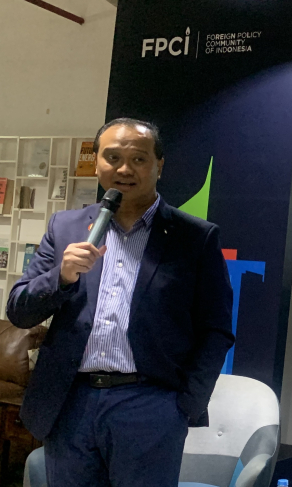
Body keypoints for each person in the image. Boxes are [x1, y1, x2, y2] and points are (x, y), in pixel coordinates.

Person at [6, 118, 234, 486]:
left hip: (150, 406)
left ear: (159, 166)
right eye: (112, 157)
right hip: (70, 402)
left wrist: (183, 406)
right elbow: (19, 310)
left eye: (138, 159)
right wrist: (61, 276)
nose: (124, 169)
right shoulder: (65, 227)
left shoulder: (195, 237)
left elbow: (216, 329)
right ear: (97, 163)